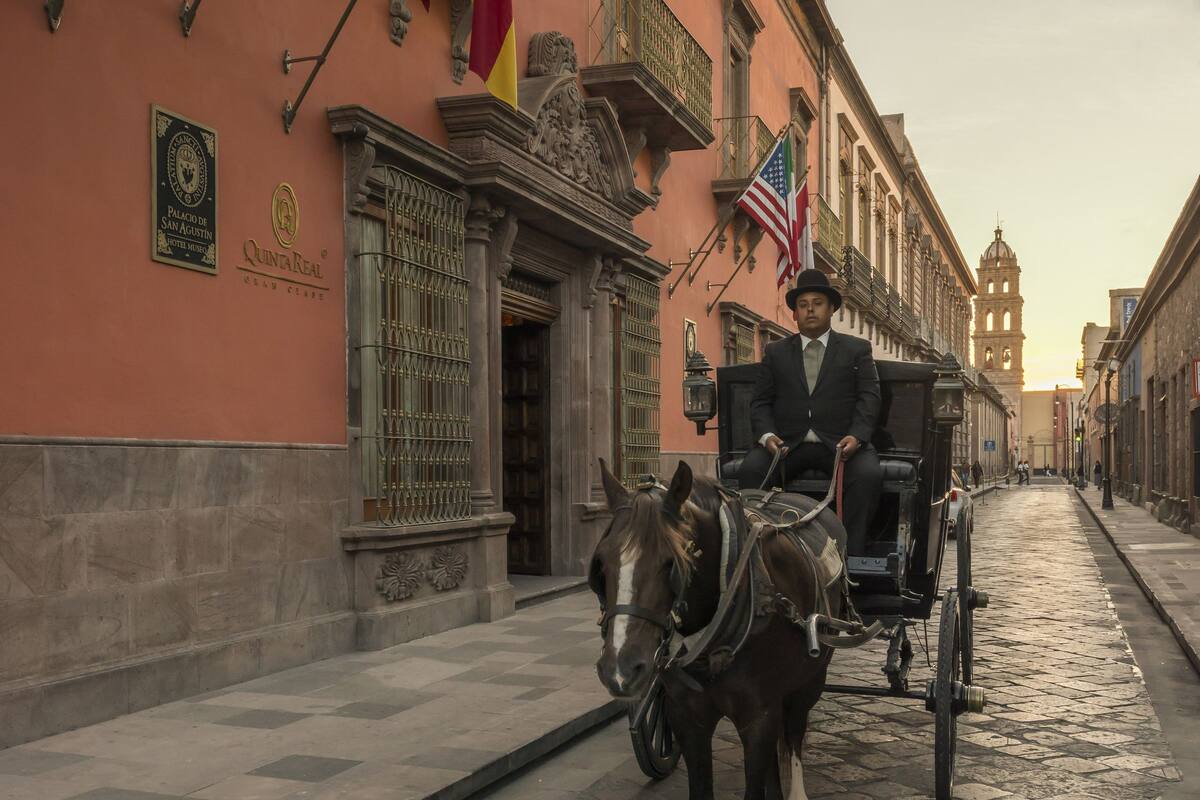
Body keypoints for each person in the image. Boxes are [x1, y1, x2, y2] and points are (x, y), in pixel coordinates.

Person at [743, 269, 882, 555]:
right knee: (750, 470)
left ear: (831, 308)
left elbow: (869, 397)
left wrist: (856, 437)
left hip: (841, 446)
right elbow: (760, 401)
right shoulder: (776, 352)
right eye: (803, 305)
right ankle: (757, 551)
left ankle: (850, 556)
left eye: (817, 303)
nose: (810, 310)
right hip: (787, 446)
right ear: (794, 314)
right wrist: (767, 435)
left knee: (868, 474)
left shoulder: (857, 349)